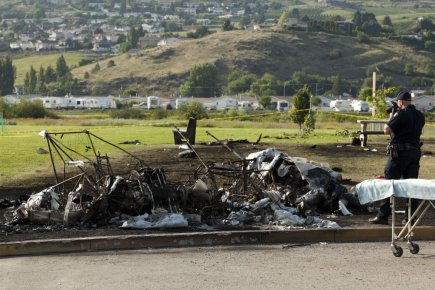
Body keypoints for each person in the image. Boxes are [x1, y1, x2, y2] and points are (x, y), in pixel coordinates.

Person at [368, 90, 425, 225]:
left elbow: (386, 130)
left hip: (399, 154)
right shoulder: (420, 115)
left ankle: (382, 216)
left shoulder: (400, 113)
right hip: (414, 153)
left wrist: (392, 116)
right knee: (411, 186)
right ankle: (410, 218)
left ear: (401, 102)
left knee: (389, 183)